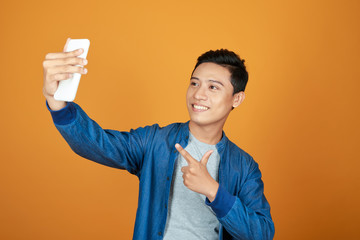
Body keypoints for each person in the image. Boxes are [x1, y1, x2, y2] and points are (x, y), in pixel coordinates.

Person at [42, 40, 275, 240]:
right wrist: (57, 102)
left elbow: (262, 233)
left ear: (237, 98)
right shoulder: (155, 141)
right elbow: (99, 144)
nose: (198, 94)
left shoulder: (244, 166)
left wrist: (213, 191)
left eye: (213, 87)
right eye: (194, 83)